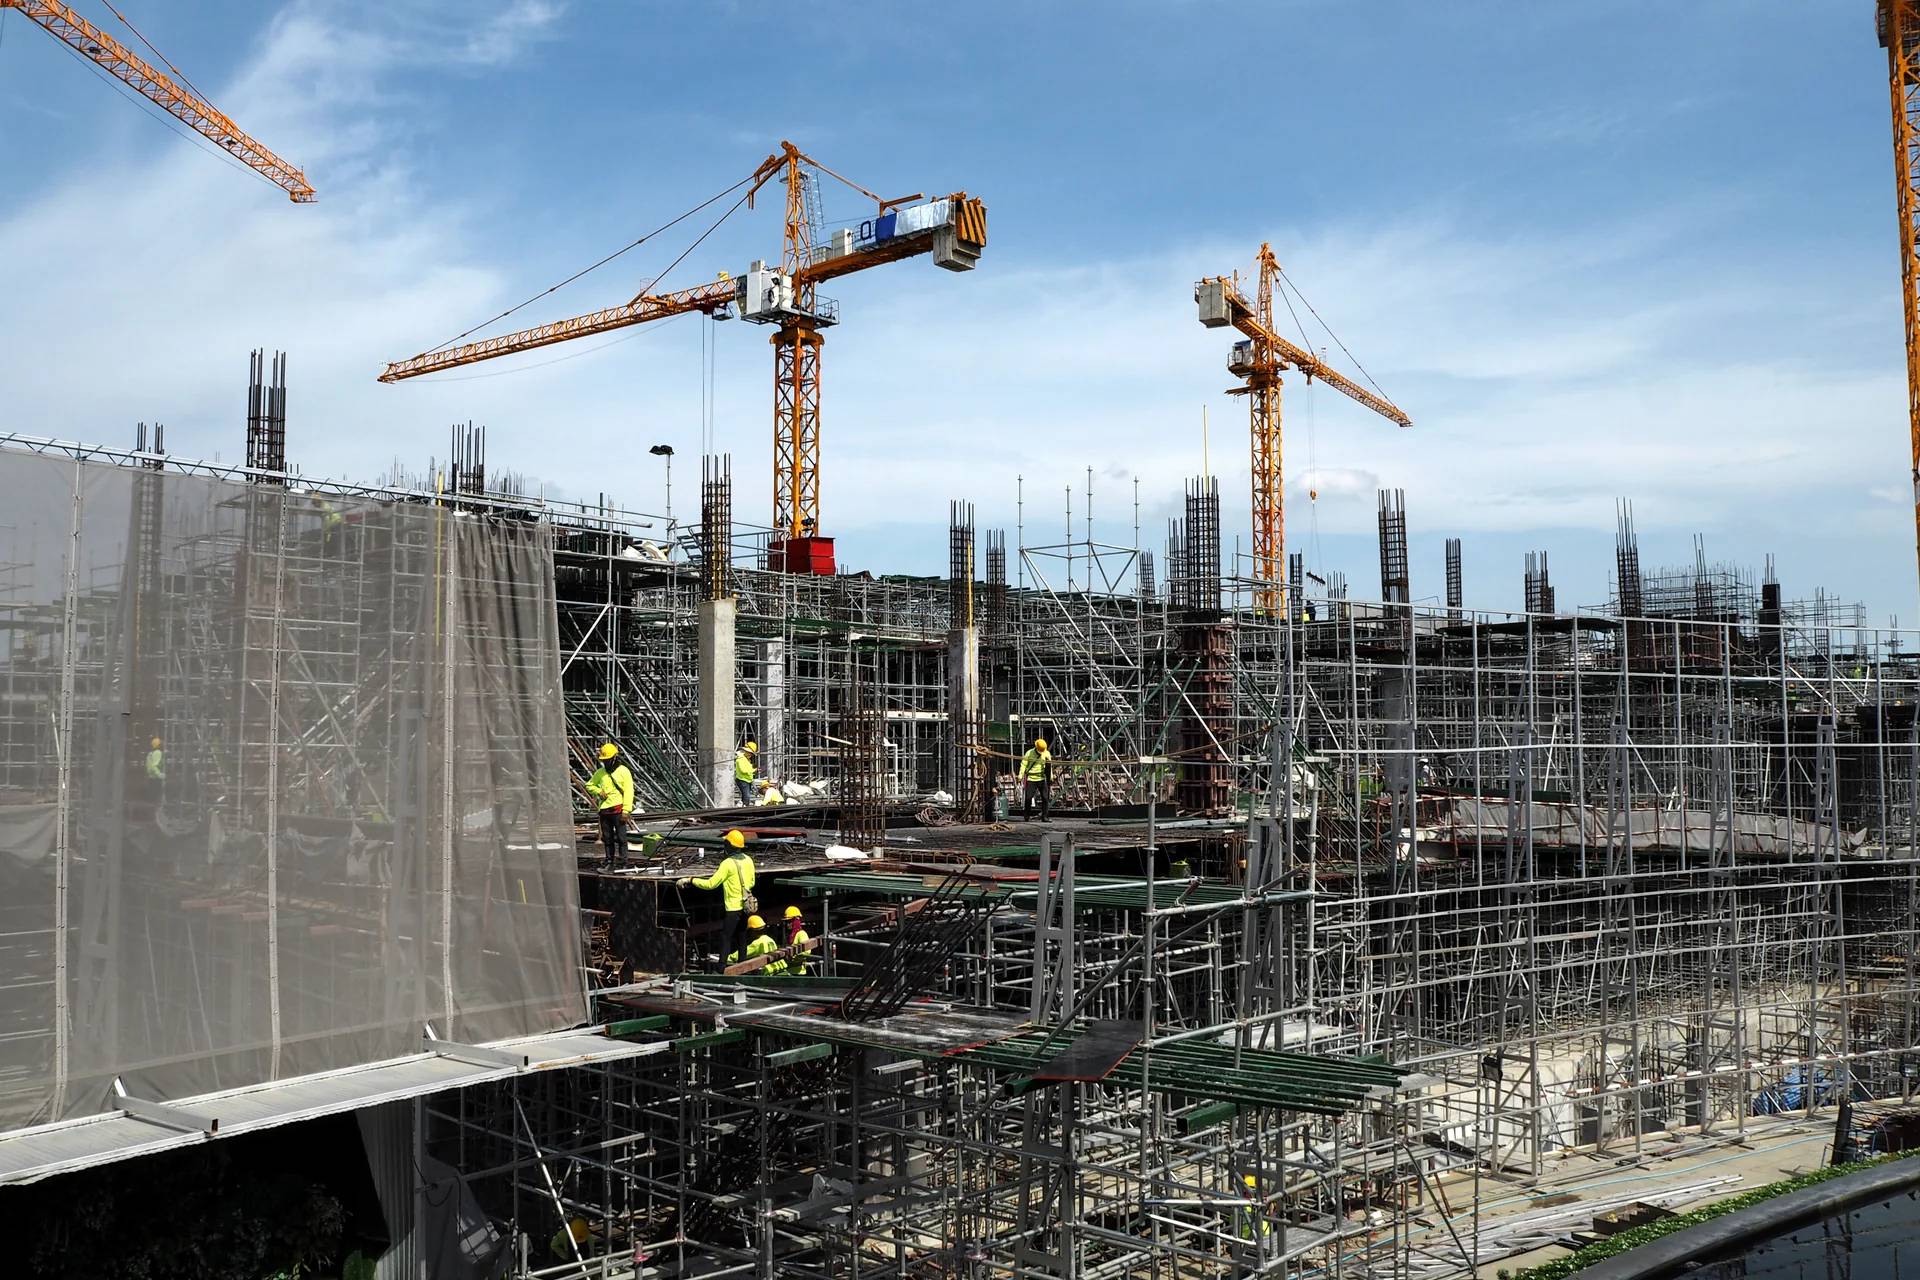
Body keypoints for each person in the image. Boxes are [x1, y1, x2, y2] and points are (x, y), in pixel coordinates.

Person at [680, 828, 755, 965]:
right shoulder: (749, 860)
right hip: (745, 907)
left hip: (733, 908)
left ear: (729, 845)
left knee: (725, 937)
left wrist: (691, 880)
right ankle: (743, 968)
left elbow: (711, 884)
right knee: (741, 937)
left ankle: (721, 969)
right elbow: (752, 882)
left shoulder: (727, 864)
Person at [584, 742, 635, 867]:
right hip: (605, 811)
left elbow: (629, 791)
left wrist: (626, 810)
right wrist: (598, 791)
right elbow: (589, 785)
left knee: (622, 838)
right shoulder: (601, 772)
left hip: (618, 810)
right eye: (604, 760)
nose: (605, 762)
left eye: (607, 759)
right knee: (608, 838)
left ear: (614, 758)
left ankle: (623, 861)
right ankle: (609, 860)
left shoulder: (623, 771)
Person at [1017, 736, 1053, 822]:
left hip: (1042, 778)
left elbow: (1049, 767)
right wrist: (1020, 775)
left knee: (1045, 798)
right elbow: (1023, 764)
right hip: (1031, 779)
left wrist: (1050, 776)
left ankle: (1045, 816)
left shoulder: (1047, 753)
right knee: (1028, 798)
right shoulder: (1029, 753)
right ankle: (1027, 815)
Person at [782, 904, 813, 976]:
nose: (787, 924)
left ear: (796, 921)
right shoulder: (789, 935)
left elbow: (807, 952)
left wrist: (793, 956)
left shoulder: (801, 934)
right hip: (789, 972)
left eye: (790, 921)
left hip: (799, 973)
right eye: (786, 922)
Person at [734, 741, 759, 805]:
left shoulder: (746, 760)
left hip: (747, 780)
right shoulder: (740, 759)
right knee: (746, 796)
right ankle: (744, 807)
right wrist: (754, 770)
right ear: (746, 751)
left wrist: (754, 770)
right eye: (750, 753)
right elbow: (743, 770)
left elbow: (748, 770)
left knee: (745, 797)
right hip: (742, 780)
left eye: (751, 754)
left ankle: (742, 806)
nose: (750, 755)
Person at [144, 735, 165, 811]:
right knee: (157, 800)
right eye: (161, 743)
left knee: (152, 800)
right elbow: (154, 766)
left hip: (151, 778)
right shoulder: (158, 753)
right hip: (156, 779)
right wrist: (160, 774)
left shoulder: (150, 753)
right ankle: (158, 816)